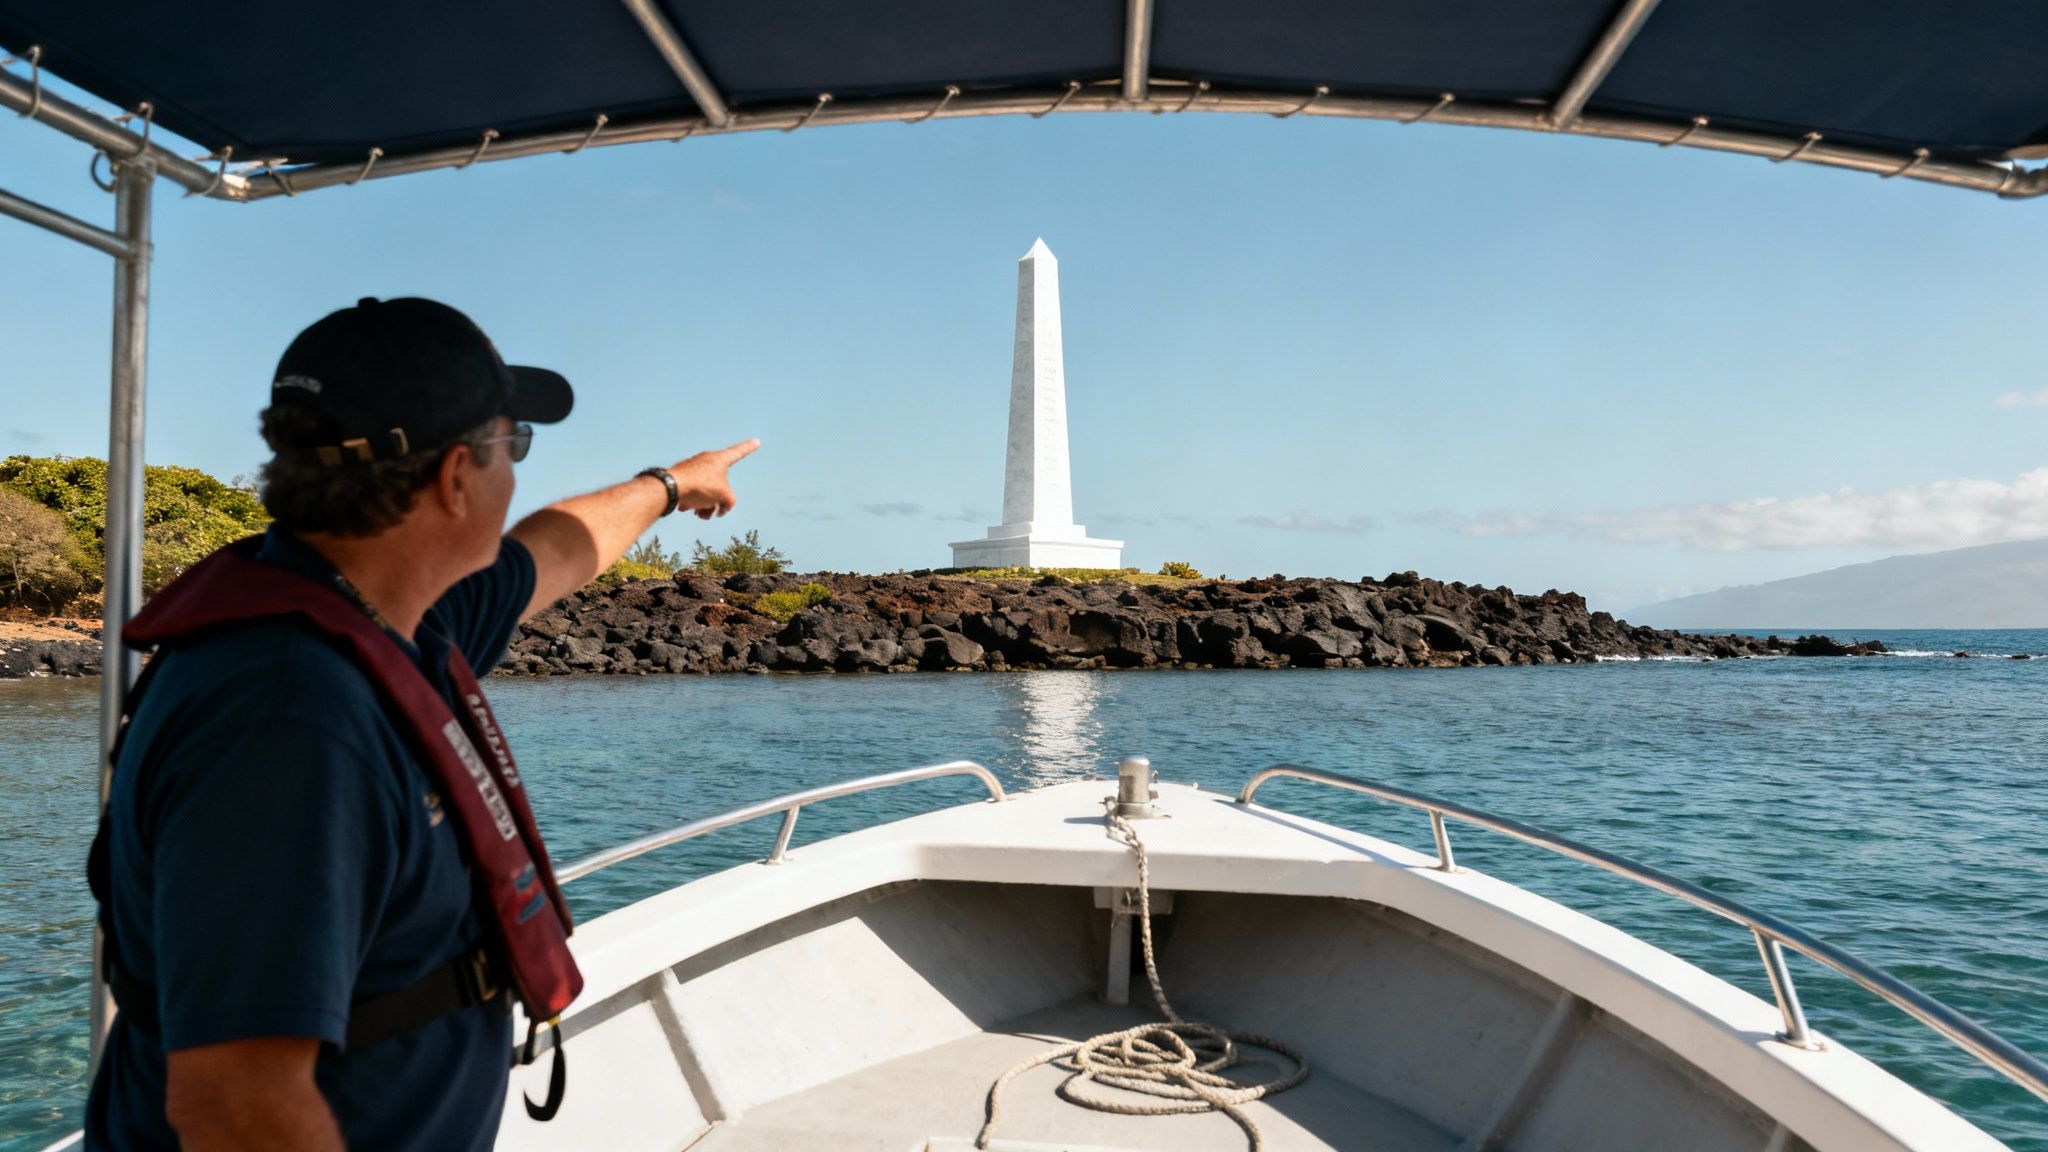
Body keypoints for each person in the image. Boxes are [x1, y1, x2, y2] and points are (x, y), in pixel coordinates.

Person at [84, 297, 758, 1151]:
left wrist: (669, 485)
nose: (519, 478)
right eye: (514, 446)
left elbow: (554, 548)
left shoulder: (394, 620)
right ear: (455, 480)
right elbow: (234, 1105)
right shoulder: (290, 721)